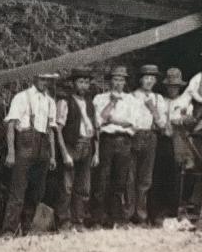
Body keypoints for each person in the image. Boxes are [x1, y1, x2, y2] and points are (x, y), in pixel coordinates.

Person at [91, 66, 150, 226]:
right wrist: (112, 103)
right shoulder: (100, 98)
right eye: (115, 79)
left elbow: (134, 124)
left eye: (121, 80)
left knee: (120, 181)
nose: (118, 83)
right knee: (102, 179)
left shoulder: (132, 100)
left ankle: (116, 218)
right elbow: (98, 121)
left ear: (125, 82)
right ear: (110, 81)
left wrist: (113, 121)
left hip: (124, 141)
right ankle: (97, 218)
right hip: (106, 140)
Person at [2, 73, 59, 235]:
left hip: (43, 150)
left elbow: (51, 131)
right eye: (42, 78)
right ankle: (9, 230)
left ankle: (26, 228)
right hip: (25, 147)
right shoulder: (22, 97)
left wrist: (53, 156)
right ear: (34, 78)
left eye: (48, 80)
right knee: (18, 190)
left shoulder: (50, 102)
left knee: (37, 191)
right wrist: (11, 152)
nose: (45, 82)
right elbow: (11, 125)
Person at [54, 68, 99, 230]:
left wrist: (96, 152)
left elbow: (95, 129)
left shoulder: (89, 104)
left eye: (86, 82)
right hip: (71, 146)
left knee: (83, 187)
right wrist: (65, 153)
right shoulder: (65, 102)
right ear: (73, 83)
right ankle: (63, 222)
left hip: (87, 146)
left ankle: (78, 221)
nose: (84, 85)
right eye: (80, 82)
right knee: (66, 186)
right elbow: (58, 129)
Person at [128, 65, 169, 224]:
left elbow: (162, 124)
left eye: (152, 78)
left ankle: (141, 215)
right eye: (146, 77)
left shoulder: (158, 98)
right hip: (134, 136)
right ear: (140, 79)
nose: (149, 81)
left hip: (151, 136)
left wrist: (153, 109)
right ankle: (128, 214)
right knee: (130, 177)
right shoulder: (131, 96)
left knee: (145, 179)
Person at [152, 67, 188, 220]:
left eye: (175, 87)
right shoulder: (160, 100)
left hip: (177, 138)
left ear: (179, 87)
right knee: (158, 173)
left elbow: (189, 118)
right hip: (161, 139)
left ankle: (173, 210)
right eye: (170, 87)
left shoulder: (184, 100)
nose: (172, 89)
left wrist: (182, 120)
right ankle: (157, 211)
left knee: (176, 173)